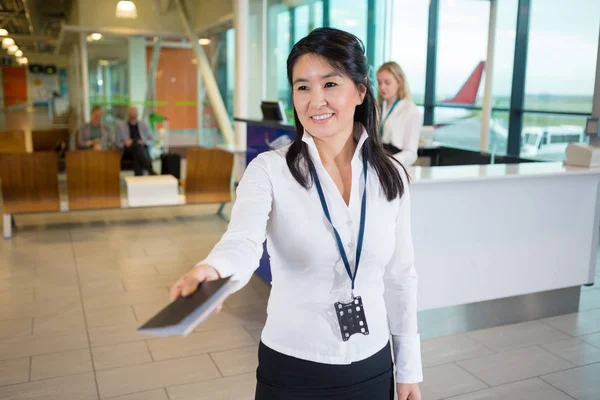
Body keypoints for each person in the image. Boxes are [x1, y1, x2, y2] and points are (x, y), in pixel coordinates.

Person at [170, 28, 422, 400]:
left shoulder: (391, 176)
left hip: (374, 362)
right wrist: (214, 270)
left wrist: (409, 370)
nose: (316, 100)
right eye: (302, 87)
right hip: (294, 366)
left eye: (330, 84)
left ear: (360, 91)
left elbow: (401, 277)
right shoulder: (269, 170)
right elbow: (242, 242)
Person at [376, 62, 422, 166]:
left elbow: (411, 153)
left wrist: (388, 162)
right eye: (379, 83)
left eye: (387, 82)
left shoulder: (410, 110)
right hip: (377, 161)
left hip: (394, 164)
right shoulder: (378, 107)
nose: (382, 87)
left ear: (399, 82)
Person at [115, 106, 156, 175]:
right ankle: (149, 168)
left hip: (140, 149)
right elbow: (117, 142)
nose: (132, 114)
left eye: (134, 112)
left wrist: (143, 142)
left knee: (137, 150)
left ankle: (138, 177)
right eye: (131, 112)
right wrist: (125, 143)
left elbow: (152, 140)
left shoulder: (144, 124)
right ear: (128, 114)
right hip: (127, 150)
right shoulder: (120, 125)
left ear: (137, 114)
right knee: (137, 147)